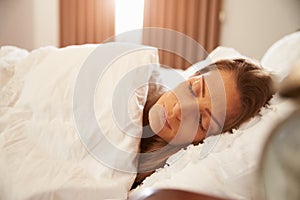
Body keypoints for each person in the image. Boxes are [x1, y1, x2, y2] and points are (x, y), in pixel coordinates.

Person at [132, 58, 274, 187]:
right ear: (192, 76)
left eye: (201, 121)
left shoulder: (156, 178)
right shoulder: (135, 84)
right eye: (192, 90)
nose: (178, 109)